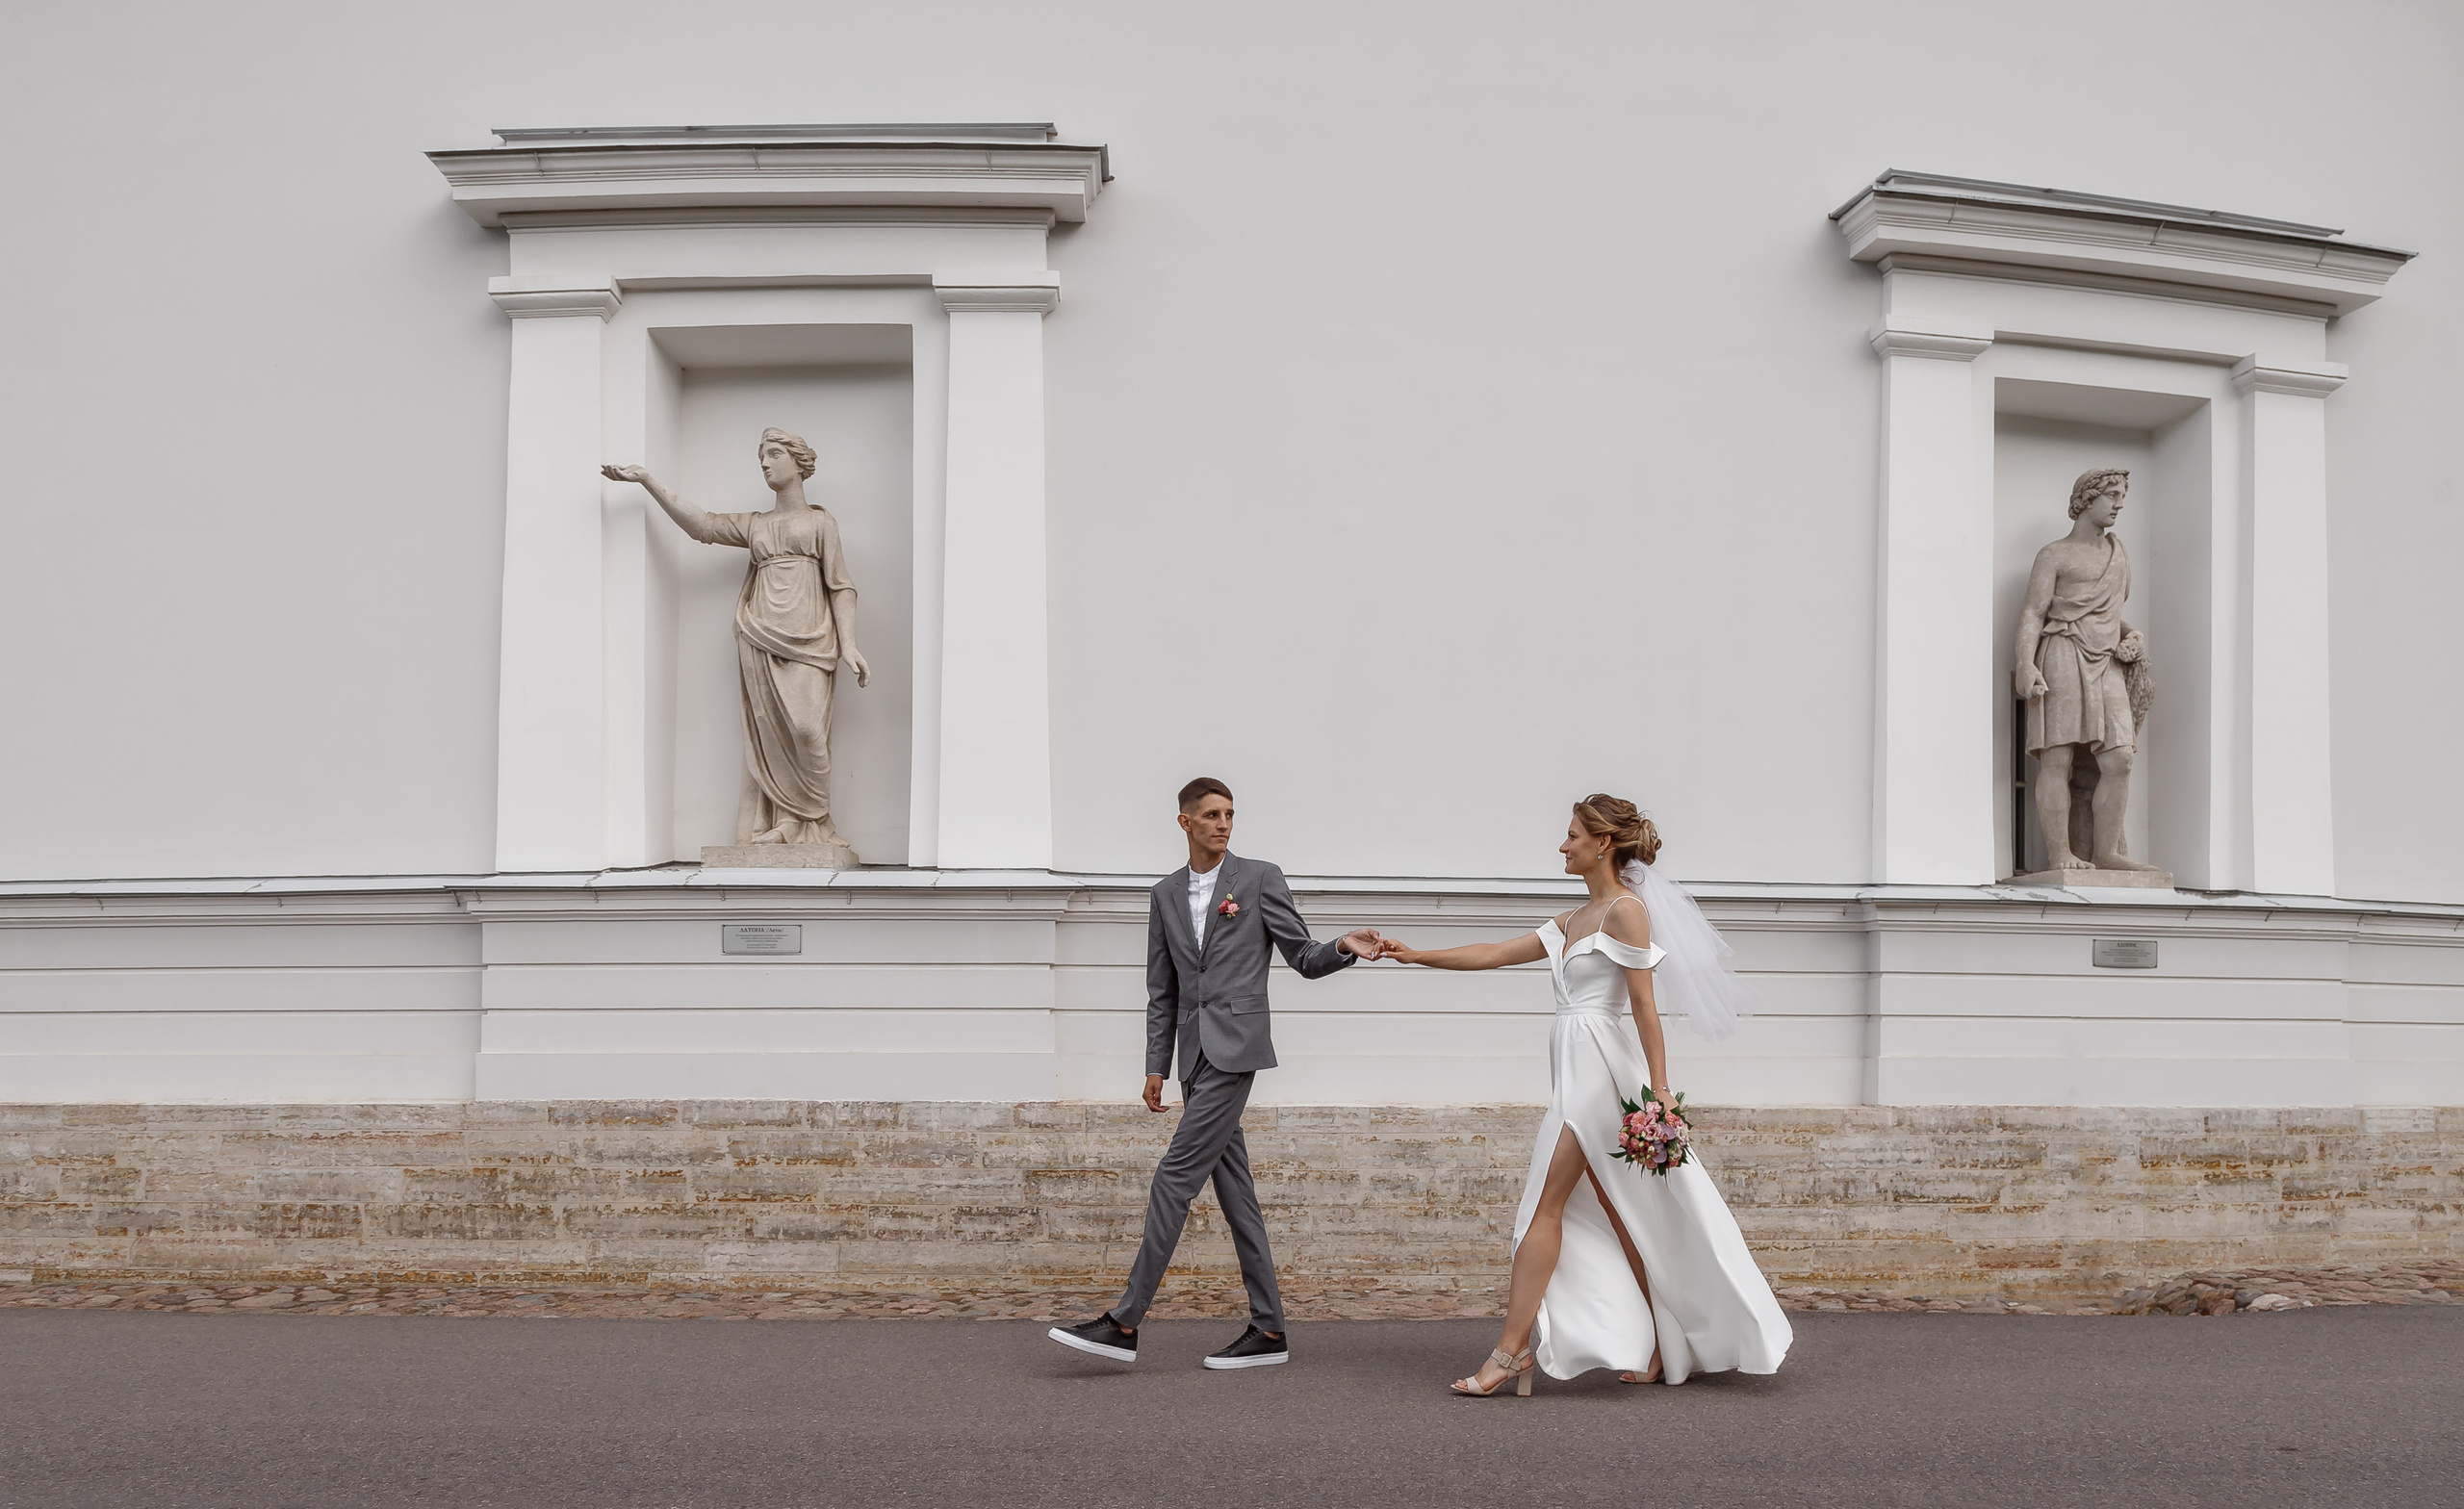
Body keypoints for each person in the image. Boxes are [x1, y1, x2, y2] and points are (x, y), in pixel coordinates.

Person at [1377, 794, 1790, 1394]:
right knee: (1622, 1217)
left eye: (1572, 835)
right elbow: (1493, 953)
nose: (1562, 845)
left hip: (1599, 1076)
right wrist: (1413, 954)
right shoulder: (1573, 920)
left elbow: (1645, 1008)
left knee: (1541, 1209)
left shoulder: (1627, 911)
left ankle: (1509, 1353)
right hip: (1571, 1069)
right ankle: (1662, 1346)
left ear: (1604, 844)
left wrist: (1661, 1095)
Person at [1048, 777, 1385, 1370]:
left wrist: (1343, 945)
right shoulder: (1165, 894)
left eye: (1229, 814)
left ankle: (1124, 1322)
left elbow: (1302, 957)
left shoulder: (1258, 878)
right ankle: (1269, 1331)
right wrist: (1156, 1064)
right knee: (1238, 1196)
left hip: (1236, 1050)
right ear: (1185, 822)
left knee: (1173, 1179)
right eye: (1210, 815)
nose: (1223, 824)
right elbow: (1163, 988)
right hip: (1192, 1056)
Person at [602, 428, 869, 858]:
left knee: (806, 730)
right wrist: (648, 481)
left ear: (799, 463)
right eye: (761, 456)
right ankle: (785, 823)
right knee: (769, 733)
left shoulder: (821, 523)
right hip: (760, 633)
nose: (765, 463)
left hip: (813, 639)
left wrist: (849, 645)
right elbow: (702, 526)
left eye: (774, 454)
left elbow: (840, 586)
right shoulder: (757, 525)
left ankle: (814, 820)